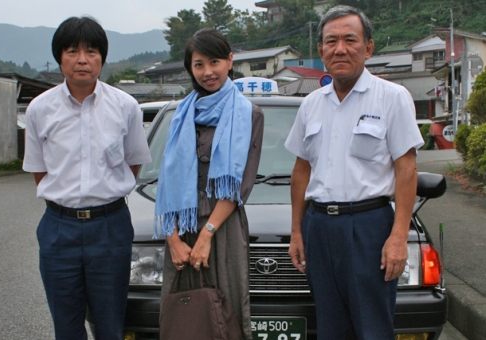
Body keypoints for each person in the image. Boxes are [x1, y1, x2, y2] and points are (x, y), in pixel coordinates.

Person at [284, 5, 424, 340]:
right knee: (330, 327)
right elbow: (301, 170)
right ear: (320, 51)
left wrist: (398, 237)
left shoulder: (392, 98)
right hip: (318, 227)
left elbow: (407, 169)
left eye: (350, 40)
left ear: (368, 48)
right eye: (331, 42)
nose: (340, 49)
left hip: (369, 228)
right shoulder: (311, 103)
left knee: (372, 327)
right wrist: (297, 231)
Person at [22, 16, 151, 340]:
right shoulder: (39, 109)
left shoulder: (126, 106)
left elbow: (133, 163)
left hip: (109, 226)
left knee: (110, 324)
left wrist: (103, 193)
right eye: (72, 51)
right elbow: (40, 171)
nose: (82, 59)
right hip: (58, 227)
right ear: (59, 57)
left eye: (91, 51)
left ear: (102, 58)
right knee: (66, 326)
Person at [155, 28, 264, 340]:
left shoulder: (249, 114)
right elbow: (167, 180)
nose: (207, 72)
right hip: (180, 224)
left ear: (230, 61)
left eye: (214, 61)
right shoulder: (180, 115)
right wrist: (173, 239)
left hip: (223, 227)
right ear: (190, 68)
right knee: (181, 313)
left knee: (226, 311)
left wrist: (207, 234)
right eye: (198, 64)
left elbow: (239, 185)